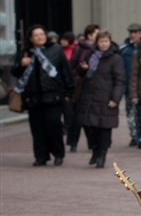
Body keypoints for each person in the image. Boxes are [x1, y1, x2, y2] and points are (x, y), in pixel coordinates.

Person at [11, 24, 74, 166]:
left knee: (53, 124)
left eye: (42, 34)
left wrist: (69, 91)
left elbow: (66, 71)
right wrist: (22, 64)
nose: (40, 37)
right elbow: (15, 72)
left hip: (53, 94)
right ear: (31, 38)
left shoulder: (55, 49)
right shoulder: (26, 52)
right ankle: (41, 156)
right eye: (36, 35)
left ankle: (58, 153)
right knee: (37, 128)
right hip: (33, 96)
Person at [77, 29, 125, 168]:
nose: (103, 44)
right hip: (89, 97)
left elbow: (120, 80)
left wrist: (115, 99)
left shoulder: (115, 58)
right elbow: (81, 74)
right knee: (89, 127)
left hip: (106, 97)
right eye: (101, 41)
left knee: (104, 129)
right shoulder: (91, 54)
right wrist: (83, 68)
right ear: (96, 42)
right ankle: (94, 150)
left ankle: (102, 154)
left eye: (106, 41)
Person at [68, 23, 100, 152]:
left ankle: (92, 143)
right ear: (89, 35)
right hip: (80, 85)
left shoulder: (99, 48)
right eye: (96, 34)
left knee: (90, 117)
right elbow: (72, 65)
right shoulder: (79, 48)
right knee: (77, 116)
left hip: (95, 86)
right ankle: (73, 142)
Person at [120, 23, 141, 147]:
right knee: (131, 113)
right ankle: (135, 136)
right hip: (128, 86)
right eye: (131, 32)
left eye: (135, 32)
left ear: (140, 33)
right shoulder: (123, 49)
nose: (133, 35)